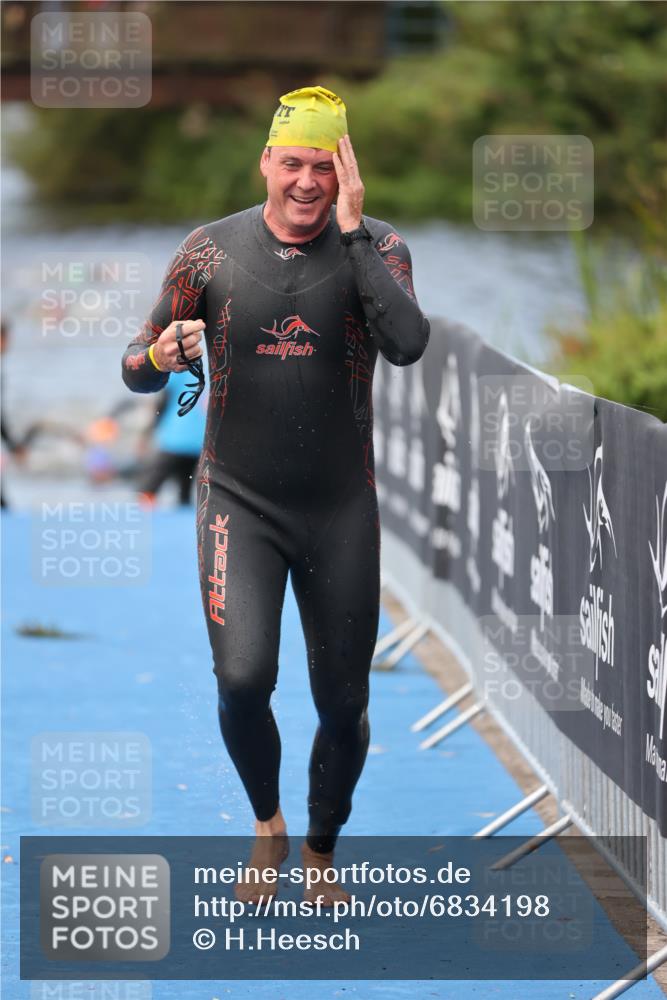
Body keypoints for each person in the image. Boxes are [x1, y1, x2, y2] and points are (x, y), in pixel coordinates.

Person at [121, 86, 430, 905]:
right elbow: (131, 365)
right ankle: (268, 828)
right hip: (237, 501)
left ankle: (322, 851)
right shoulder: (208, 254)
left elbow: (406, 342)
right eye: (290, 162)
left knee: (343, 698)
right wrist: (159, 352)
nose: (304, 181)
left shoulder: (381, 247)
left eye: (322, 167)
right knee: (243, 681)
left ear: (344, 172)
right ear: (265, 160)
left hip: (339, 508)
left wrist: (357, 231)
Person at [135, 371, 207, 505]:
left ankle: (141, 520)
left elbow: (163, 402)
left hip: (175, 439)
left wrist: (147, 432)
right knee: (184, 493)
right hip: (200, 442)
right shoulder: (218, 368)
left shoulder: (183, 368)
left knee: (148, 488)